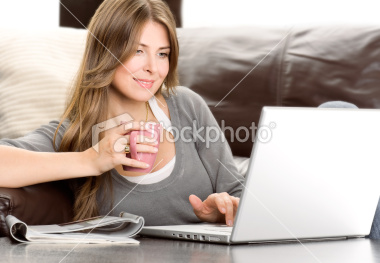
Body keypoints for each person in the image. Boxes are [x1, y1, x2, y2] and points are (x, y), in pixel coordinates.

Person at [0, 0, 243, 227]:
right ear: (106, 51)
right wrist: (90, 160)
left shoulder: (187, 106)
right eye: (138, 51)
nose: (153, 68)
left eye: (162, 54)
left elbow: (237, 192)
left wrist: (223, 212)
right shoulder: (73, 134)